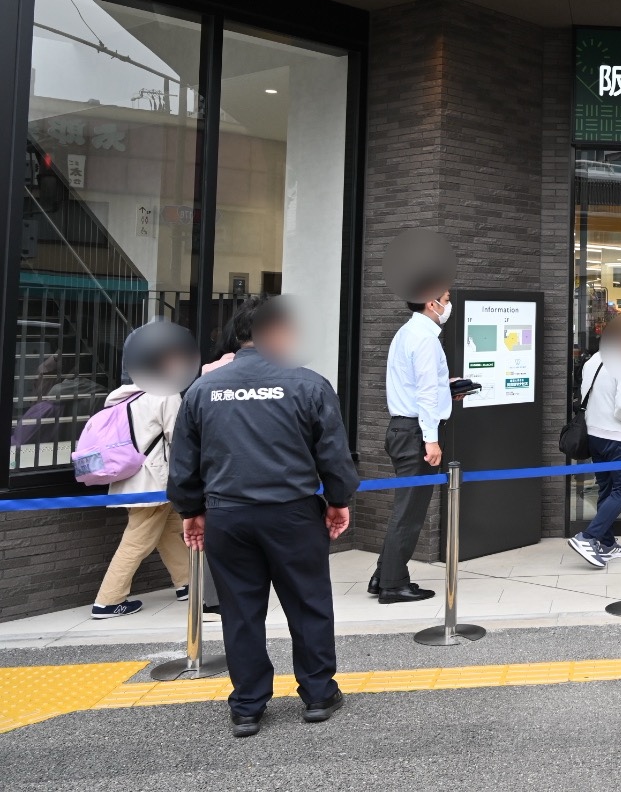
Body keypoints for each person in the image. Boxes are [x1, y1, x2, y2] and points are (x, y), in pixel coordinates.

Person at [168, 297, 357, 739]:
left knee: (240, 611)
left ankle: (248, 706)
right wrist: (338, 499)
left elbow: (184, 461)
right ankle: (318, 694)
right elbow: (334, 455)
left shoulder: (203, 388)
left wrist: (191, 510)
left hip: (228, 515)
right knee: (308, 603)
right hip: (292, 513)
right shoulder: (308, 384)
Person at [89, 340, 190, 620]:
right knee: (136, 541)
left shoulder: (121, 396)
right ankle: (108, 601)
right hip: (154, 481)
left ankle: (187, 582)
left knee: (169, 530)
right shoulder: (165, 394)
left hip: (128, 478)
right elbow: (179, 438)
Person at [371, 281, 455, 604]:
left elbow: (418, 385)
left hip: (403, 429)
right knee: (409, 512)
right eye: (446, 299)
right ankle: (393, 584)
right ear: (432, 303)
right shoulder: (425, 339)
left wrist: (448, 390)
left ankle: (383, 575)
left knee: (404, 508)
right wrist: (431, 440)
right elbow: (425, 393)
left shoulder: (406, 333)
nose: (448, 304)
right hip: (415, 433)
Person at [567, 343, 621, 569]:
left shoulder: (592, 361)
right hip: (616, 437)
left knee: (606, 488)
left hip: (593, 435)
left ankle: (606, 543)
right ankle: (588, 537)